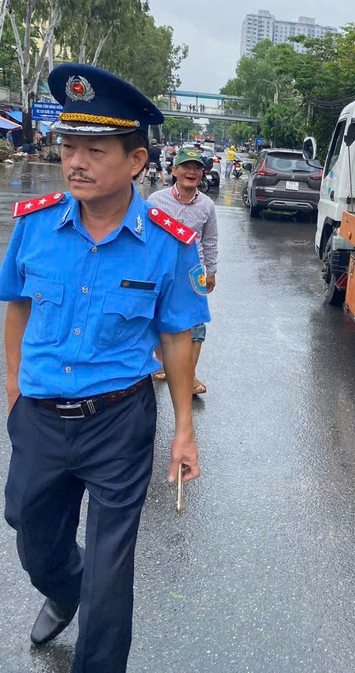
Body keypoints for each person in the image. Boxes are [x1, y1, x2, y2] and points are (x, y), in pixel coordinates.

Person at [0, 63, 210, 672]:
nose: (75, 162)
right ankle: (64, 589)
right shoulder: (35, 224)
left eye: (94, 151)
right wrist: (13, 385)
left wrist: (184, 429)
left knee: (111, 571)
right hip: (40, 412)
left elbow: (176, 337)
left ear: (136, 160)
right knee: (30, 532)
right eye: (69, 147)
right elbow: (17, 304)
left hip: (119, 420)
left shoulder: (170, 243)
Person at [148, 148, 218, 395]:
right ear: (175, 170)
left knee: (196, 325)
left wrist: (211, 271)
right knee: (161, 318)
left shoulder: (207, 204)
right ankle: (162, 362)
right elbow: (146, 237)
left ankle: (189, 375)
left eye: (197, 168)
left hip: (193, 273)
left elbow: (210, 240)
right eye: (186, 167)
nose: (192, 172)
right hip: (162, 270)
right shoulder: (156, 201)